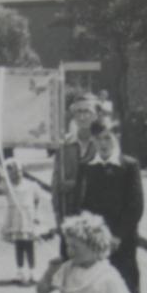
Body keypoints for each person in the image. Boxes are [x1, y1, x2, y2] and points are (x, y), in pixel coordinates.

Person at [76, 118, 146, 293]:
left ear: (116, 138)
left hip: (122, 241)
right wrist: (89, 236)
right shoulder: (87, 168)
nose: (103, 143)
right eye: (98, 139)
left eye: (108, 138)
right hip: (96, 242)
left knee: (127, 285)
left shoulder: (128, 166)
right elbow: (82, 205)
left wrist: (118, 236)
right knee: (98, 288)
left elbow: (135, 205)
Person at [0, 158, 48, 284]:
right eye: (12, 172)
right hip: (15, 217)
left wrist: (35, 215)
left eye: (18, 171)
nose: (16, 174)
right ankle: (20, 271)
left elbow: (36, 200)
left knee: (29, 245)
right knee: (19, 245)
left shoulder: (31, 185)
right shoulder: (8, 186)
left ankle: (33, 271)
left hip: (27, 216)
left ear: (22, 171)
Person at [51, 96, 99, 239]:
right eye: (78, 112)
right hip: (70, 211)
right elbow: (56, 181)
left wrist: (75, 184)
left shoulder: (102, 143)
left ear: (95, 116)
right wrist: (58, 214)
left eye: (87, 111)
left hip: (96, 213)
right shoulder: (65, 144)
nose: (82, 116)